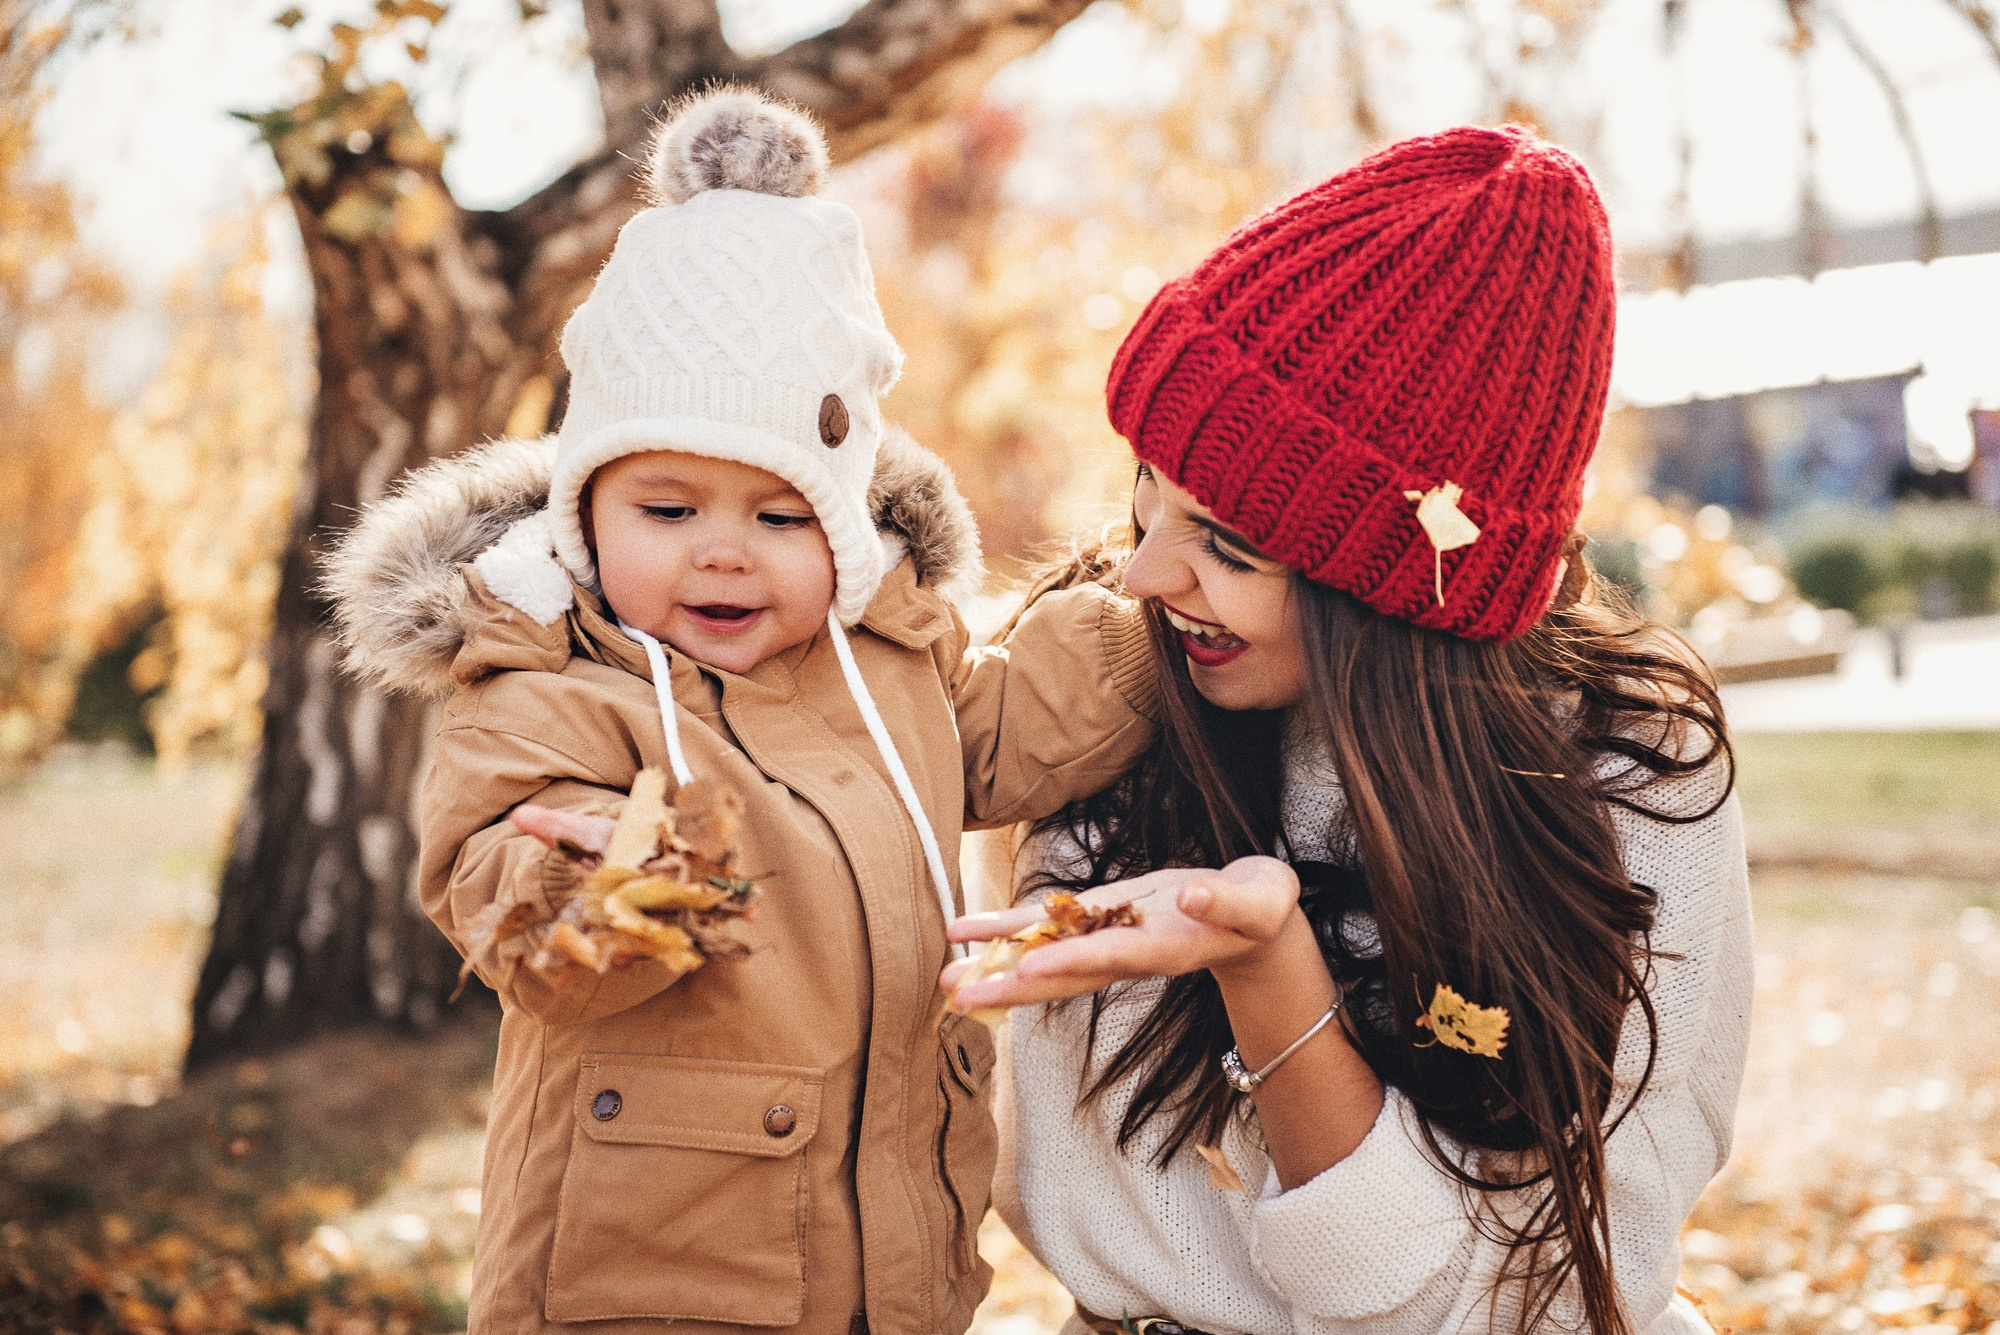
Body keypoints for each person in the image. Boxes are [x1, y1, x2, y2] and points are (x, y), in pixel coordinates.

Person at [323, 89, 1159, 1335]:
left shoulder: (887, 669)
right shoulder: (547, 684)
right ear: (584, 509)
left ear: (843, 521)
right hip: (638, 1284)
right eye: (667, 511)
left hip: (890, 1271)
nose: (724, 556)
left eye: (779, 518)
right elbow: (497, 857)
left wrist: (1153, 631)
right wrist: (588, 894)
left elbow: (1002, 730)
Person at [945, 125, 1752, 1335]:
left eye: (1229, 543)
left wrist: (1266, 969)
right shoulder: (1096, 699)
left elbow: (1505, 1302)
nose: (1142, 576)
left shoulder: (1622, 775)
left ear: (1393, 598)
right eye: (1146, 497)